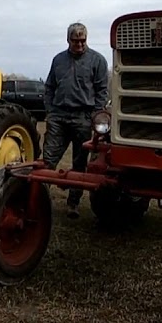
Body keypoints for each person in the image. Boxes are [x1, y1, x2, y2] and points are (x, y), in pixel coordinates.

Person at [42, 22, 109, 218]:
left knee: (80, 163)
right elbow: (49, 87)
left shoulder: (98, 61)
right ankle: (41, 201)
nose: (79, 45)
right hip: (59, 117)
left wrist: (95, 116)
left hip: (83, 118)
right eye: (75, 41)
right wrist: (51, 111)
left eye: (83, 41)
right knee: (48, 160)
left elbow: (101, 92)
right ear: (68, 40)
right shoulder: (58, 60)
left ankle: (73, 203)